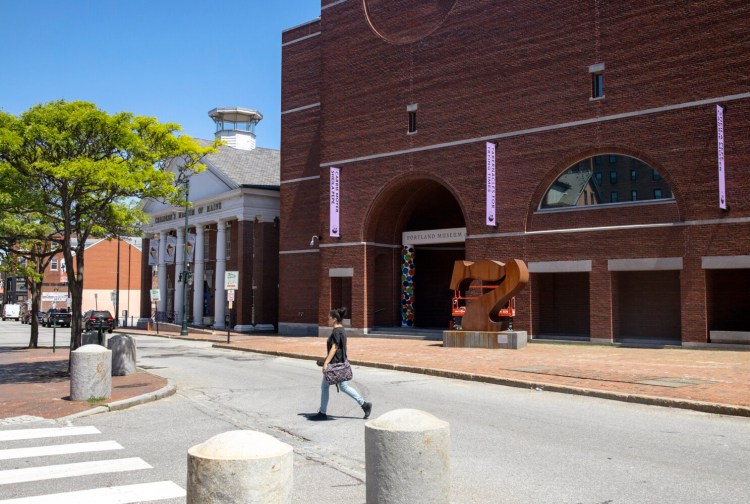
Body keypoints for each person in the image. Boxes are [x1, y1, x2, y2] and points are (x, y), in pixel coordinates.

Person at [309, 307, 372, 421]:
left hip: (335, 364)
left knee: (326, 387)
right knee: (342, 387)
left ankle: (323, 413)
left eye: (329, 318)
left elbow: (335, 347)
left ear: (334, 319)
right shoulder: (341, 330)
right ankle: (364, 404)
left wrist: (326, 363)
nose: (327, 320)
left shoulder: (336, 331)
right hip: (340, 363)